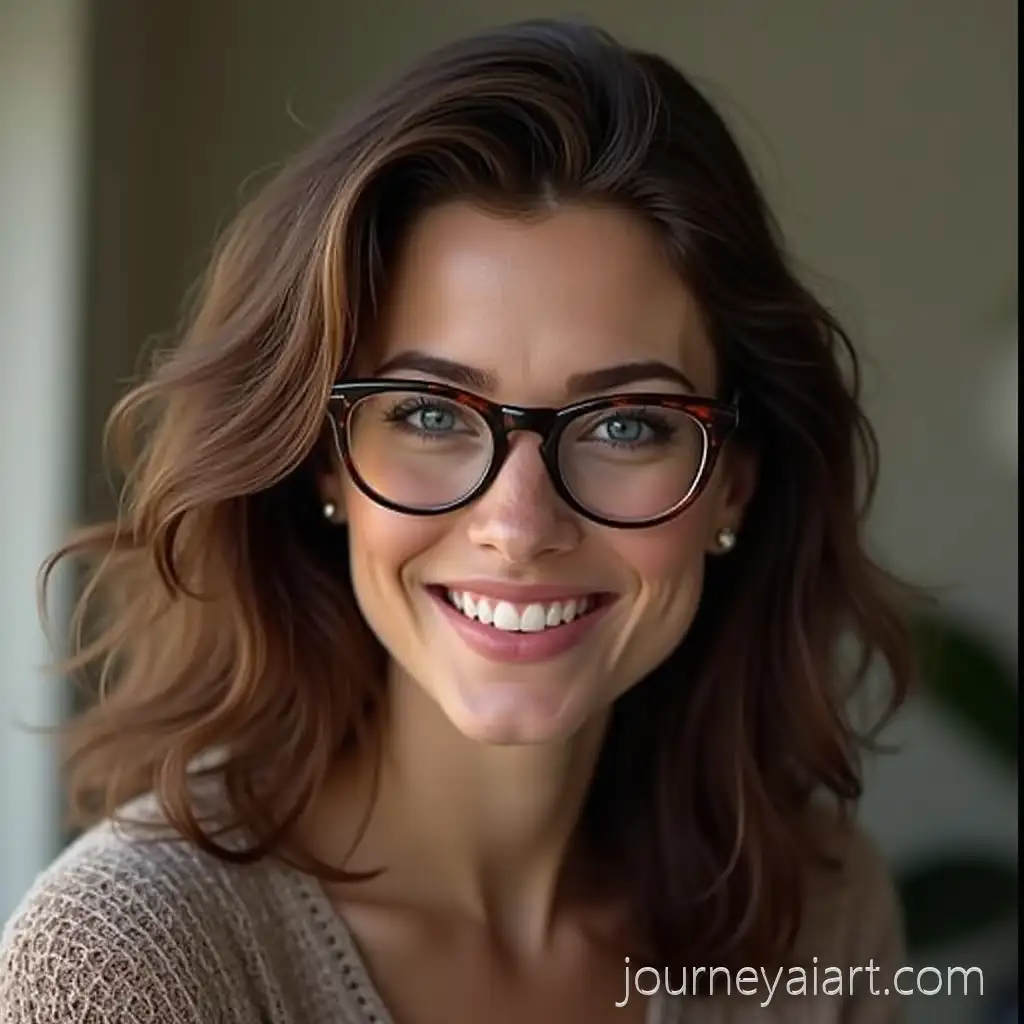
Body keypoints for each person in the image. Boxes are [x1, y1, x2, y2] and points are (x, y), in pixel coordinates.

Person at [0, 18, 916, 1024]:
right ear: (324, 460)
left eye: (626, 423)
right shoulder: (123, 962)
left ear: (730, 486)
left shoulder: (816, 911)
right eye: (431, 414)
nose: (518, 524)